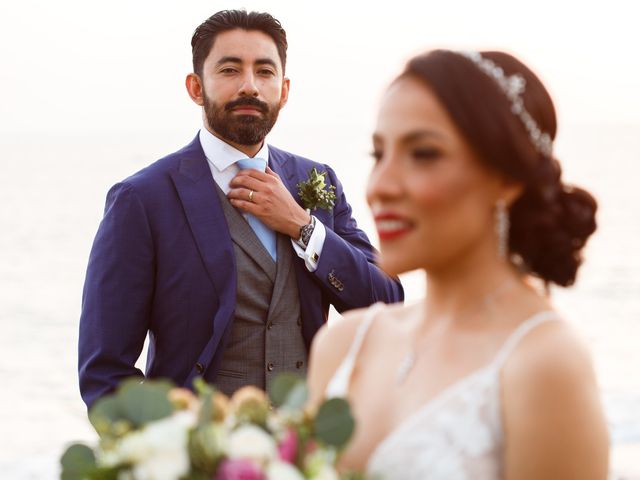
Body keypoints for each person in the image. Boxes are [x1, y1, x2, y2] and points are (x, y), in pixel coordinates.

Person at [78, 10, 403, 409]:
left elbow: (387, 306)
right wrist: (166, 454)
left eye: (264, 72)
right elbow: (105, 371)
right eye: (230, 70)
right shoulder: (142, 200)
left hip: (308, 452)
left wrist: (303, 226)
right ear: (196, 87)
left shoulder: (318, 180)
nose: (249, 86)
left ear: (284, 90)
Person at [308, 49, 609, 479]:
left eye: (424, 153)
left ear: (507, 179)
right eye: (378, 155)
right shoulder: (343, 346)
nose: (381, 187)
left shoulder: (544, 364)